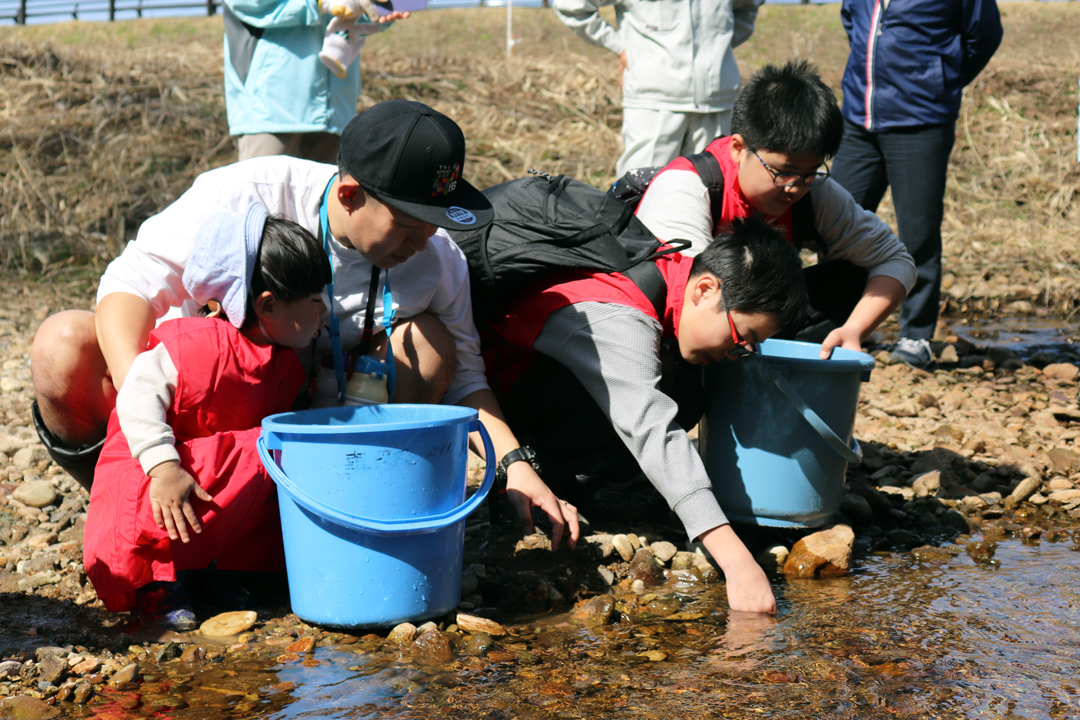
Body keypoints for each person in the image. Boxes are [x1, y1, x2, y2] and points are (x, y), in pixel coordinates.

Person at [31, 100, 579, 550]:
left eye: (437, 226)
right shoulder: (254, 194)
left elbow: (467, 380)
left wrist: (516, 467)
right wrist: (148, 434)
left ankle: (345, 501)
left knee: (431, 345)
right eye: (411, 227)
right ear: (349, 195)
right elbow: (131, 283)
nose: (425, 245)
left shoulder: (436, 258)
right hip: (204, 405)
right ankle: (138, 505)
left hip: (321, 420)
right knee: (62, 346)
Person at [484, 216, 807, 614]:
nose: (735, 353)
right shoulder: (620, 318)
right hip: (492, 402)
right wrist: (736, 561)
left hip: (542, 383)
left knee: (687, 390)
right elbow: (651, 428)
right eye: (743, 340)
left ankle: (577, 478)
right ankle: (533, 479)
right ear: (706, 289)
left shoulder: (671, 269)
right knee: (654, 400)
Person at [84, 206, 331, 629]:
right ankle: (160, 581)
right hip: (158, 483)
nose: (324, 311)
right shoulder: (197, 345)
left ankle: (221, 571)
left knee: (270, 458)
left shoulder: (284, 363)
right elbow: (137, 396)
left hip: (214, 489)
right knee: (255, 455)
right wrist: (162, 466)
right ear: (267, 306)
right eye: (313, 301)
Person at [635, 61, 918, 359]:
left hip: (745, 327)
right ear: (738, 148)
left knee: (852, 277)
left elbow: (894, 259)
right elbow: (686, 307)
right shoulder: (686, 189)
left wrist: (855, 329)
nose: (795, 188)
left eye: (810, 173)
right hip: (674, 334)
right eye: (782, 171)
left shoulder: (813, 192)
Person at [830, 0, 1002, 368]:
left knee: (918, 232)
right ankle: (839, 324)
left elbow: (984, 35)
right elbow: (852, 20)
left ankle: (916, 335)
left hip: (920, 119)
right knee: (835, 225)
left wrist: (938, 78)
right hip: (858, 118)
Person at [552, 0, 762, 177]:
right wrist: (620, 46)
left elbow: (749, 5)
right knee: (642, 193)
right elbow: (571, 4)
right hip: (654, 102)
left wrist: (717, 48)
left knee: (711, 193)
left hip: (717, 102)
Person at [223, 0, 407, 164]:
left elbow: (347, 12)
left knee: (326, 201)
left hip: (335, 109)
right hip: (270, 106)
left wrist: (376, 9)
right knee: (262, 197)